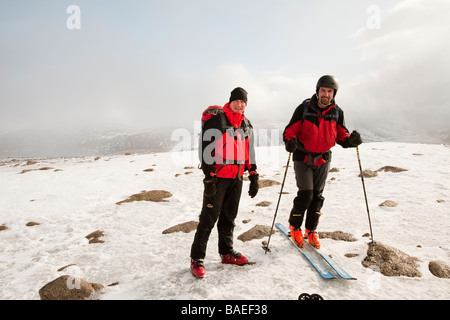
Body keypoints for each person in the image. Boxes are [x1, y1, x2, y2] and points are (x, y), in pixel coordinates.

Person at [283, 75, 362, 249]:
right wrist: (290, 142)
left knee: (317, 196)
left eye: (329, 91)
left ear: (334, 93)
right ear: (317, 91)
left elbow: (342, 135)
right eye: (323, 91)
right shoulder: (303, 108)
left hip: (323, 158)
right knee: (306, 195)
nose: (326, 94)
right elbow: (290, 131)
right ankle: (294, 226)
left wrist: (351, 141)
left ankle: (311, 230)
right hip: (302, 157)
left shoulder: (336, 112)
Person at [190, 87, 259, 278]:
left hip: (236, 178)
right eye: (236, 100)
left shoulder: (246, 124)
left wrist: (253, 174)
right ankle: (197, 258)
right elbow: (206, 149)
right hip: (218, 178)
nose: (239, 104)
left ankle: (226, 253)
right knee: (208, 218)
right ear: (230, 101)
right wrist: (209, 178)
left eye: (243, 101)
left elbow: (249, 152)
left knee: (229, 217)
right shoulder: (217, 119)